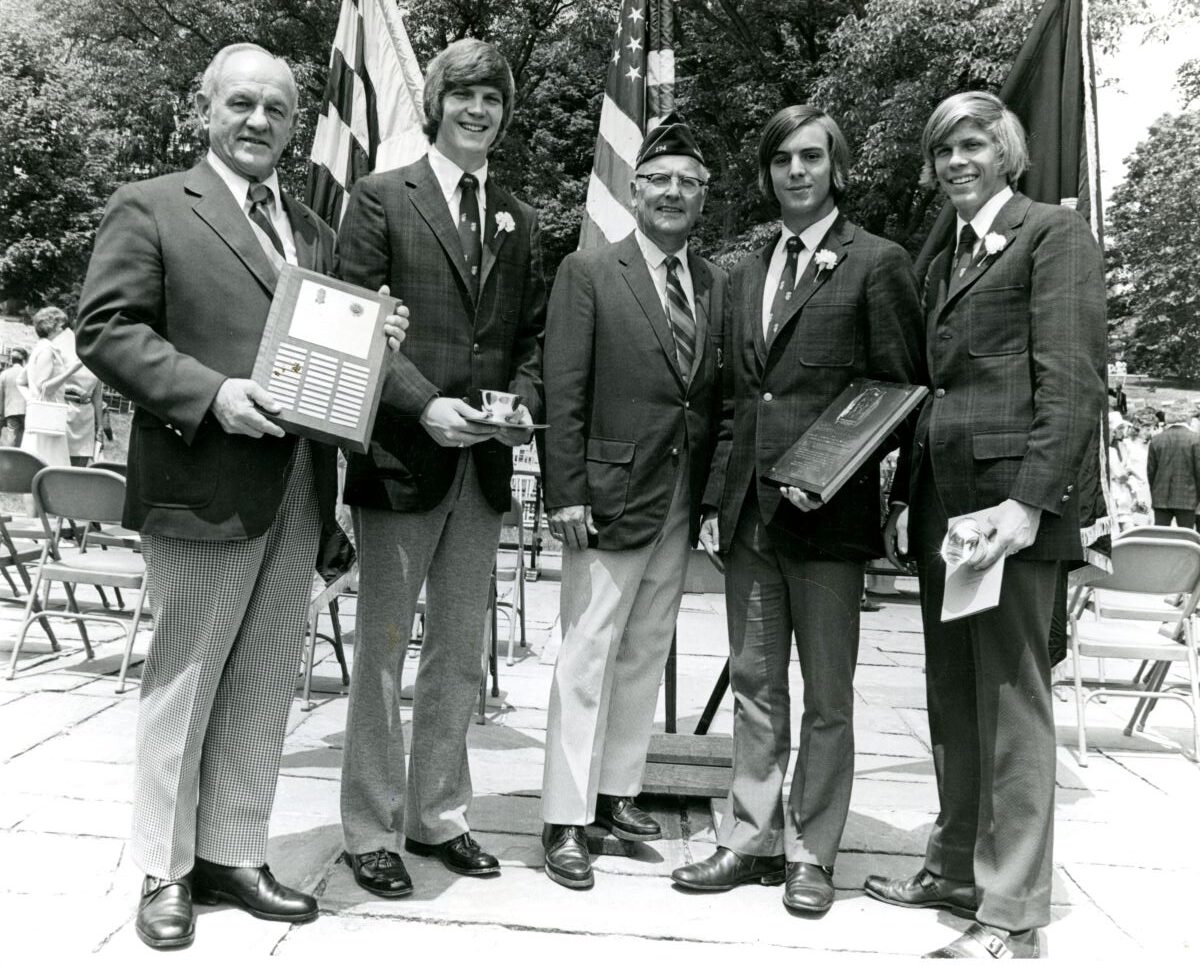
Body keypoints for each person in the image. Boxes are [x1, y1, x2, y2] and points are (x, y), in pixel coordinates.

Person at [75, 43, 406, 950]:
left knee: (264, 680)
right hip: (203, 480)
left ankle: (231, 851)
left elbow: (325, 355)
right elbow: (105, 329)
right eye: (242, 103)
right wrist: (210, 393)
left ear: (296, 126)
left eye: (278, 110)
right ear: (206, 108)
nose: (259, 121)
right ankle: (164, 866)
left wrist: (377, 341)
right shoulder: (151, 205)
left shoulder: (313, 229)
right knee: (185, 678)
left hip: (298, 485)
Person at [866, 91, 1106, 959]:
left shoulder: (1053, 235)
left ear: (1007, 151)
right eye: (943, 151)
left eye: (973, 145)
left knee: (1010, 704)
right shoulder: (946, 260)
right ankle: (956, 867)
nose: (956, 162)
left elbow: (1072, 381)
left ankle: (1012, 913)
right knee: (954, 698)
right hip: (948, 513)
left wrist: (1027, 503)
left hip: (1010, 514)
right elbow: (936, 394)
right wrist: (905, 499)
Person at [671, 105, 923, 915]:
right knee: (754, 685)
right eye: (782, 159)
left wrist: (859, 480)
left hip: (829, 521)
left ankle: (812, 852)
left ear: (836, 169)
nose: (797, 171)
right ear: (767, 173)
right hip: (750, 517)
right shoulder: (743, 274)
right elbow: (732, 403)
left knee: (827, 696)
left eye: (811, 157)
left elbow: (900, 392)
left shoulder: (878, 262)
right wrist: (714, 500)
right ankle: (751, 839)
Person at [336, 38, 545, 898]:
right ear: (435, 105)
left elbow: (531, 337)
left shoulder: (520, 218)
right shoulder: (381, 197)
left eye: (492, 98)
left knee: (460, 652)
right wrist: (424, 403)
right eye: (463, 95)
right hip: (402, 459)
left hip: (482, 471)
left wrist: (520, 402)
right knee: (383, 653)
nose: (478, 110)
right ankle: (370, 829)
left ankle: (438, 816)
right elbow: (356, 324)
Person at [539, 114, 726, 889]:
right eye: (660, 180)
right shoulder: (588, 271)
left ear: (703, 197)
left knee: (646, 647)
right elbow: (564, 390)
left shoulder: (713, 282)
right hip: (606, 498)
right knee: (587, 653)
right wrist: (565, 492)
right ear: (635, 189)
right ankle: (564, 817)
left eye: (689, 182)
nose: (673, 192)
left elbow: (711, 397)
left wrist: (710, 498)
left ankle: (615, 792)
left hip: (679, 497)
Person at [21, 307, 75, 468]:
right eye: (62, 326)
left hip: (39, 417)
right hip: (49, 420)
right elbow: (44, 387)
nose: (64, 330)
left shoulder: (38, 348)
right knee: (52, 467)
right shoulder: (47, 351)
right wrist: (72, 369)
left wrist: (32, 399)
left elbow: (21, 381)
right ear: (54, 326)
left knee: (36, 466)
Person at [52, 323, 104, 465]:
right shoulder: (62, 353)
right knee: (60, 462)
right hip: (66, 413)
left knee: (80, 465)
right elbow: (51, 385)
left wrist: (100, 427)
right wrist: (73, 390)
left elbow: (97, 397)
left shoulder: (97, 360)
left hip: (86, 419)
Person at [1147, 404, 1200, 527]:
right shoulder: (1196, 439)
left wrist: (1154, 491)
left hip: (1160, 497)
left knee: (1160, 535)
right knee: (1186, 535)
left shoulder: (1156, 439)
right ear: (1187, 417)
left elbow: (1151, 471)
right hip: (1188, 497)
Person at [0, 347, 28, 446]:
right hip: (28, 411)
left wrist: (1, 415)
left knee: (11, 439)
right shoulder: (28, 373)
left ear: (12, 360)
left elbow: (1, 397)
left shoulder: (4, 374)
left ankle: (10, 455)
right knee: (27, 439)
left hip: (11, 411)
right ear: (24, 360)